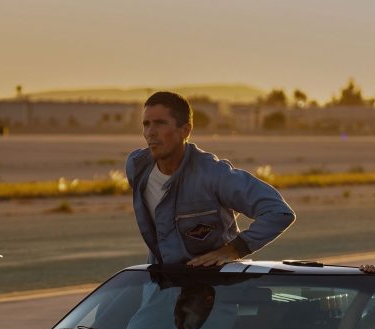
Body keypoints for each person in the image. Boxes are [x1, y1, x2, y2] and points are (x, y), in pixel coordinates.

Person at [126, 91, 295, 267]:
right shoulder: (137, 167)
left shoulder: (214, 174)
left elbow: (279, 212)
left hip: (213, 285)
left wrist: (234, 250)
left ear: (185, 130)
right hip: (162, 282)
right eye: (146, 124)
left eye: (160, 123)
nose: (150, 132)